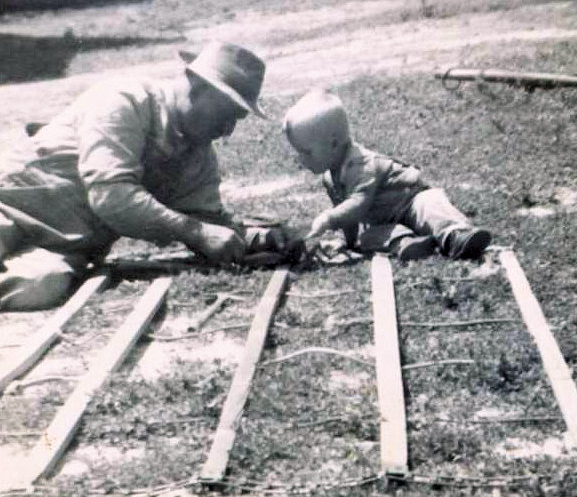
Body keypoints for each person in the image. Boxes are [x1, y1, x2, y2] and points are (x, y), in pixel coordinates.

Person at [0, 40, 276, 310]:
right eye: (226, 114)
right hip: (9, 212)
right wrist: (199, 233)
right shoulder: (125, 100)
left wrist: (251, 239)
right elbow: (111, 196)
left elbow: (206, 220)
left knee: (44, 285)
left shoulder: (198, 153)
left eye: (236, 120)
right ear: (199, 86)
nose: (228, 130)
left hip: (61, 247)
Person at [282, 89, 492, 261]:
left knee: (430, 205)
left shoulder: (363, 165)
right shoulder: (330, 178)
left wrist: (328, 218)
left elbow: (357, 204)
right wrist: (349, 243)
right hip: (384, 220)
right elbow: (350, 217)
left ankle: (457, 235)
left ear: (334, 143)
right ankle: (405, 242)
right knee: (369, 236)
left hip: (409, 202)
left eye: (306, 152)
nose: (301, 159)